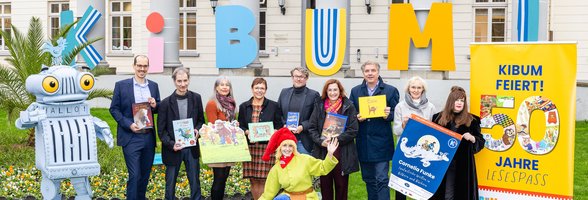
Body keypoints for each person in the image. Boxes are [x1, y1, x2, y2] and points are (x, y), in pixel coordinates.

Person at [109, 55, 160, 200]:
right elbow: (114, 109)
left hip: (148, 137)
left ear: (148, 68)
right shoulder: (121, 85)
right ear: (134, 66)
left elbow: (157, 107)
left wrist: (155, 105)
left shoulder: (153, 86)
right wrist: (128, 124)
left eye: (145, 66)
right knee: (135, 174)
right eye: (139, 65)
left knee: (144, 175)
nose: (142, 69)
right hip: (131, 137)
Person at [349, 61, 399, 200]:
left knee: (382, 179)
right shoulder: (355, 91)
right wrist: (356, 117)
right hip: (363, 142)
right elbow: (350, 113)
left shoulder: (390, 90)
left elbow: (397, 112)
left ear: (378, 72)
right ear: (363, 73)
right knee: (369, 179)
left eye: (373, 70)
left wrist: (389, 114)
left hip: (382, 142)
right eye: (367, 71)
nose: (370, 73)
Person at [157, 67, 205, 200]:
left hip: (191, 147)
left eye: (185, 80)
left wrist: (197, 130)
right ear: (174, 81)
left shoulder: (196, 98)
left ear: (189, 80)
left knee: (195, 181)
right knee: (170, 182)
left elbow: (201, 121)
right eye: (179, 81)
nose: (182, 84)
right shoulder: (165, 103)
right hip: (173, 149)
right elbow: (161, 131)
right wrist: (172, 144)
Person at [308, 79, 359, 200]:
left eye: (335, 89)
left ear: (340, 91)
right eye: (329, 90)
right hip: (324, 151)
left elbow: (353, 130)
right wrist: (321, 141)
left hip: (342, 152)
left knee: (341, 185)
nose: (332, 92)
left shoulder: (348, 106)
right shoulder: (319, 105)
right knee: (325, 185)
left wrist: (337, 139)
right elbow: (312, 128)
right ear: (326, 91)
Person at [431, 86, 485, 200]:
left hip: (462, 165)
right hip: (441, 163)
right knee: (444, 194)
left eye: (462, 100)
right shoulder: (438, 118)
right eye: (457, 100)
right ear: (451, 101)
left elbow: (480, 142)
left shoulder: (472, 120)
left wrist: (472, 138)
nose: (460, 103)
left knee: (459, 194)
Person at [259, 128, 340, 200]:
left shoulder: (304, 159)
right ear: (280, 148)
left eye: (290, 146)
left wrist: (329, 154)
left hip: (308, 197)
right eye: (284, 146)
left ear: (294, 147)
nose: (287, 149)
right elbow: (268, 193)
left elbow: (323, 168)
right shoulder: (276, 168)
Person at [237, 78, 284, 200]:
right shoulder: (244, 106)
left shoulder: (274, 106)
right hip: (250, 148)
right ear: (252, 89)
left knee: (265, 179)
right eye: (257, 88)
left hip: (267, 148)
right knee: (253, 179)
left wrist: (274, 131)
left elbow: (279, 125)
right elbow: (240, 125)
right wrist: (247, 132)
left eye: (262, 88)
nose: (259, 91)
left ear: (266, 90)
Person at [392, 76, 436, 200]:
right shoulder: (400, 106)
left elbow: (433, 132)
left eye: (419, 87)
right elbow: (396, 131)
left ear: (423, 90)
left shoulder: (430, 107)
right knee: (401, 185)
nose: (416, 90)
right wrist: (404, 125)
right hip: (404, 151)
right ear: (408, 89)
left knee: (423, 184)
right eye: (413, 87)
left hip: (423, 151)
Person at [205, 77, 237, 200]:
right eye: (221, 84)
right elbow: (213, 126)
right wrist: (229, 127)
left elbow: (230, 122)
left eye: (227, 85)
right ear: (216, 87)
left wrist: (234, 125)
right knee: (218, 179)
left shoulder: (231, 103)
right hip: (218, 145)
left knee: (224, 177)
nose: (224, 87)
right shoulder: (212, 103)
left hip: (228, 145)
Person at [278, 67, 321, 155]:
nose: (298, 79)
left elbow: (317, 117)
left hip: (303, 141)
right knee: (287, 167)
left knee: (304, 168)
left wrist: (303, 127)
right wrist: (284, 124)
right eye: (296, 76)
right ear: (292, 77)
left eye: (301, 77)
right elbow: (278, 113)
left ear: (306, 78)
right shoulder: (284, 92)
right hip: (286, 140)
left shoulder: (313, 95)